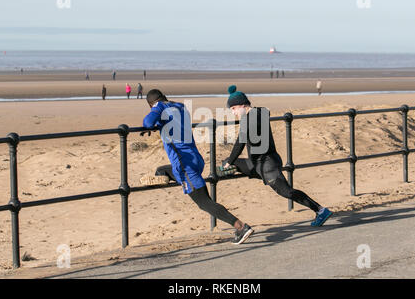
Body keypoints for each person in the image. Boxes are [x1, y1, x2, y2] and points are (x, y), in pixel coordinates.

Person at [141, 89, 254, 244]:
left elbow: (147, 122)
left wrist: (151, 123)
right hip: (196, 159)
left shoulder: (159, 107)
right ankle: (169, 178)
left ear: (151, 103)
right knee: (161, 171)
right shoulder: (180, 106)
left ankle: (241, 226)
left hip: (184, 164)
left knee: (204, 203)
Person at [221, 85, 333, 227]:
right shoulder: (256, 113)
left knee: (287, 192)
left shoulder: (252, 118)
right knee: (227, 164)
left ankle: (320, 210)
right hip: (257, 163)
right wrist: (229, 162)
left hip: (268, 164)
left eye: (234, 109)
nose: (233, 113)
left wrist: (230, 161)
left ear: (243, 105)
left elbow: (240, 143)